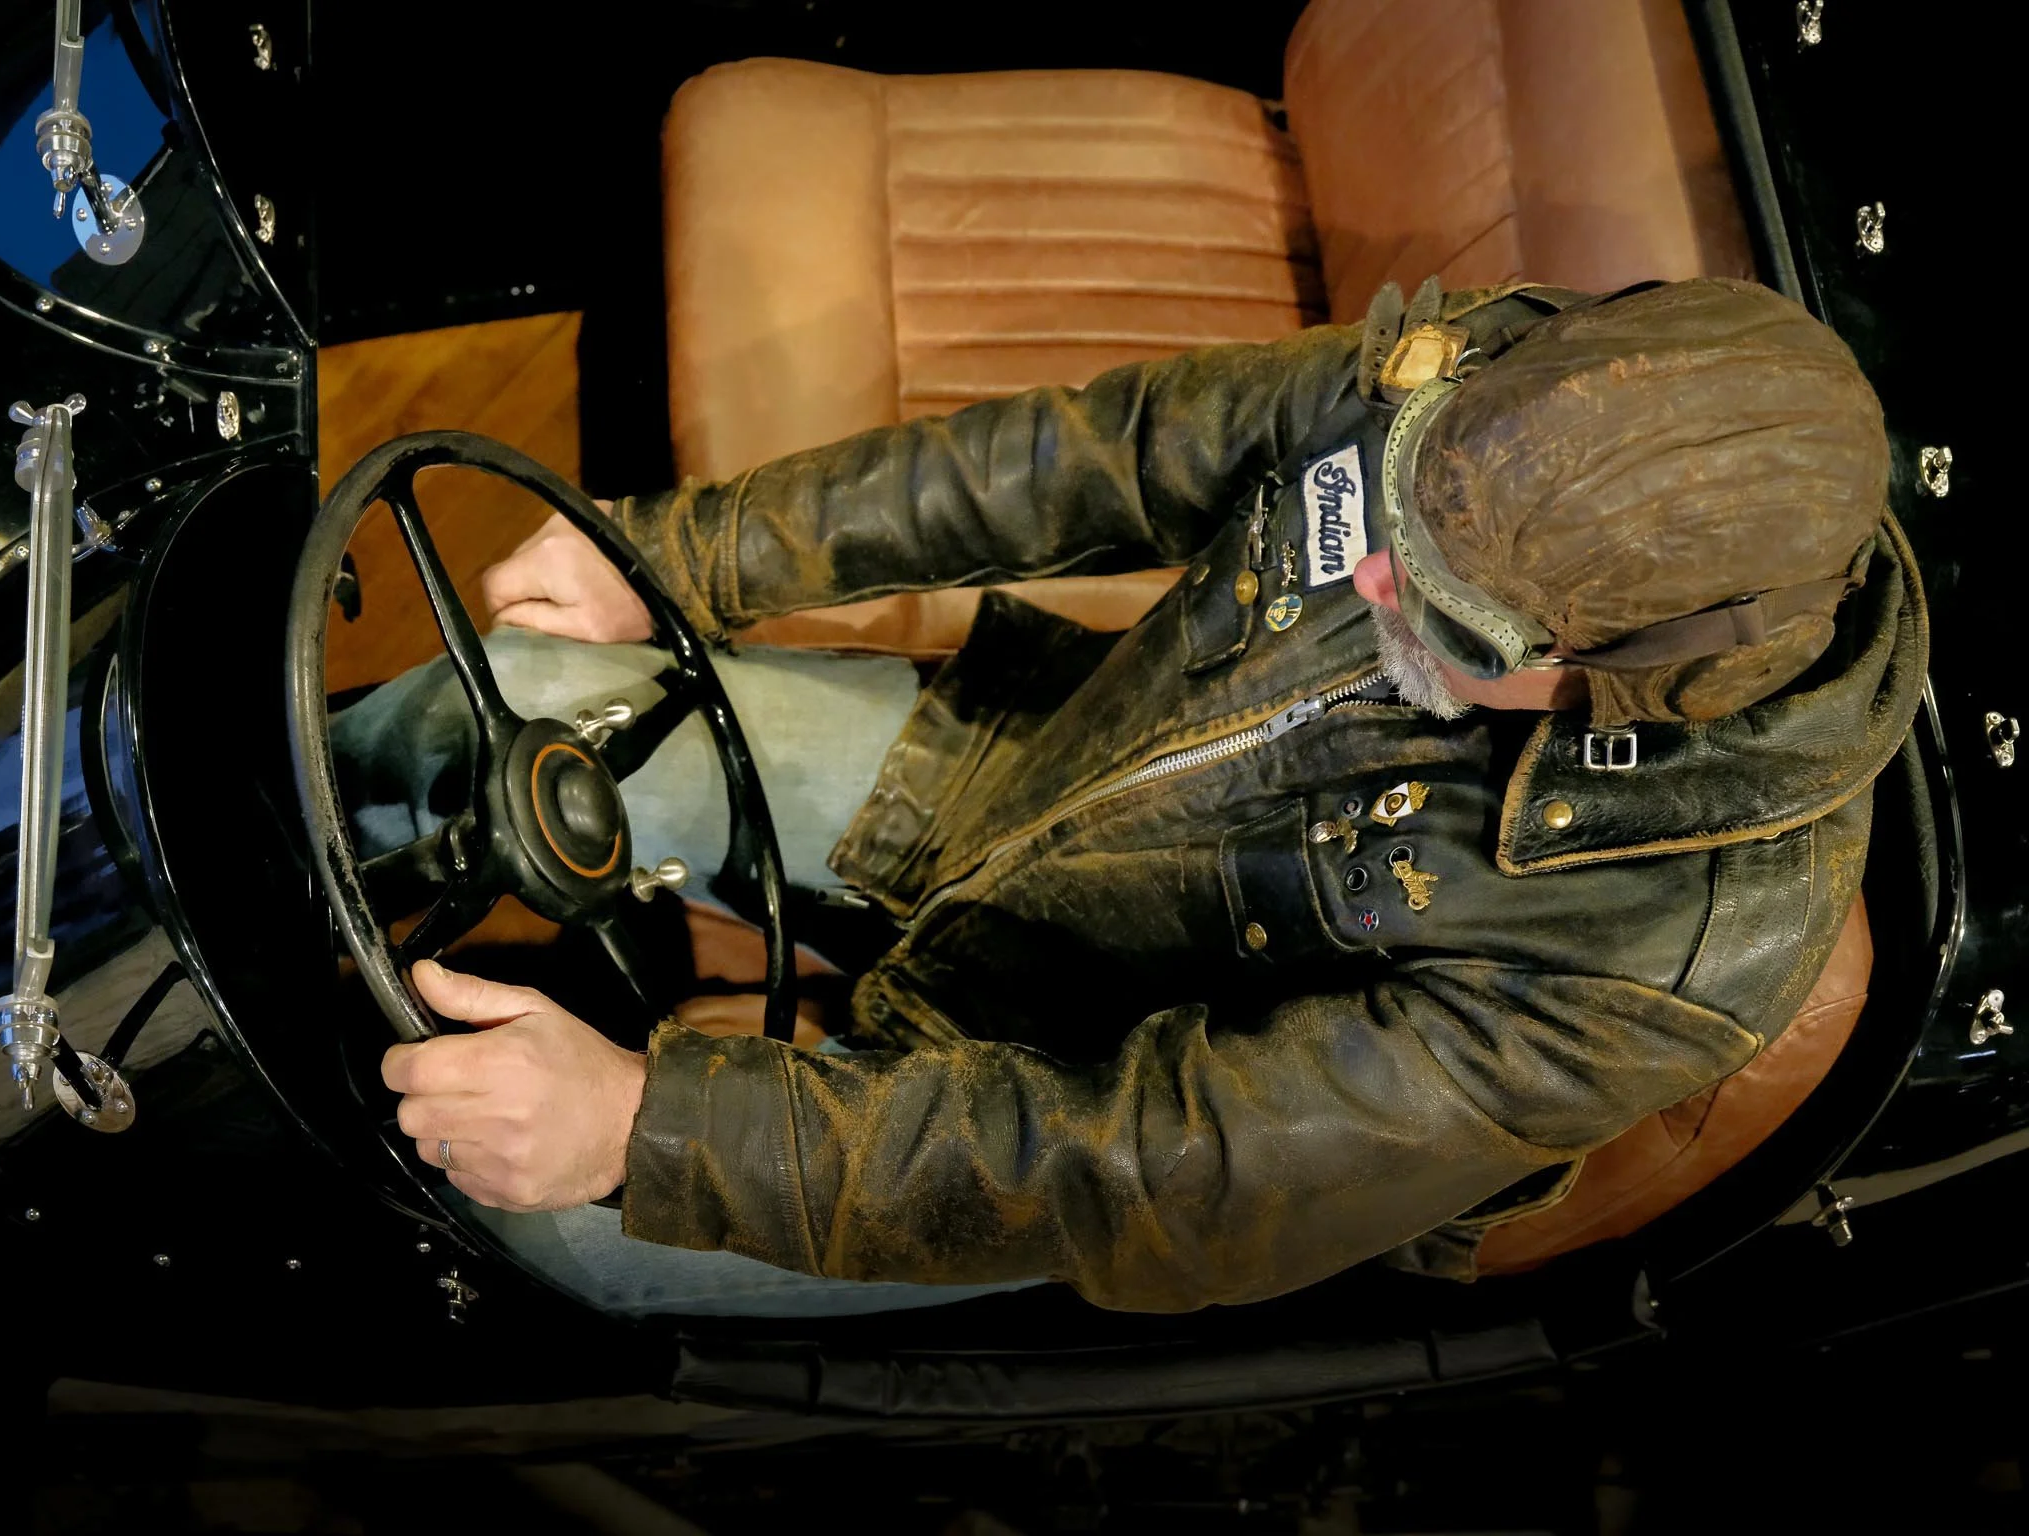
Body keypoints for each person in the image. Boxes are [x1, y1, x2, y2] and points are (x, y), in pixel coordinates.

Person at [354, 276, 1925, 1315]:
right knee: (514, 702)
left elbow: (1174, 1158)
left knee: (534, 1230)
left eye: (1449, 620)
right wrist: (677, 559)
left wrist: (652, 1121)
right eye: (1395, 511)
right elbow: (1104, 453)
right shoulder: (1508, 389)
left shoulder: (1673, 951)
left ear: (1663, 669)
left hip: (1062, 1087)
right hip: (1021, 778)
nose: (1368, 572)